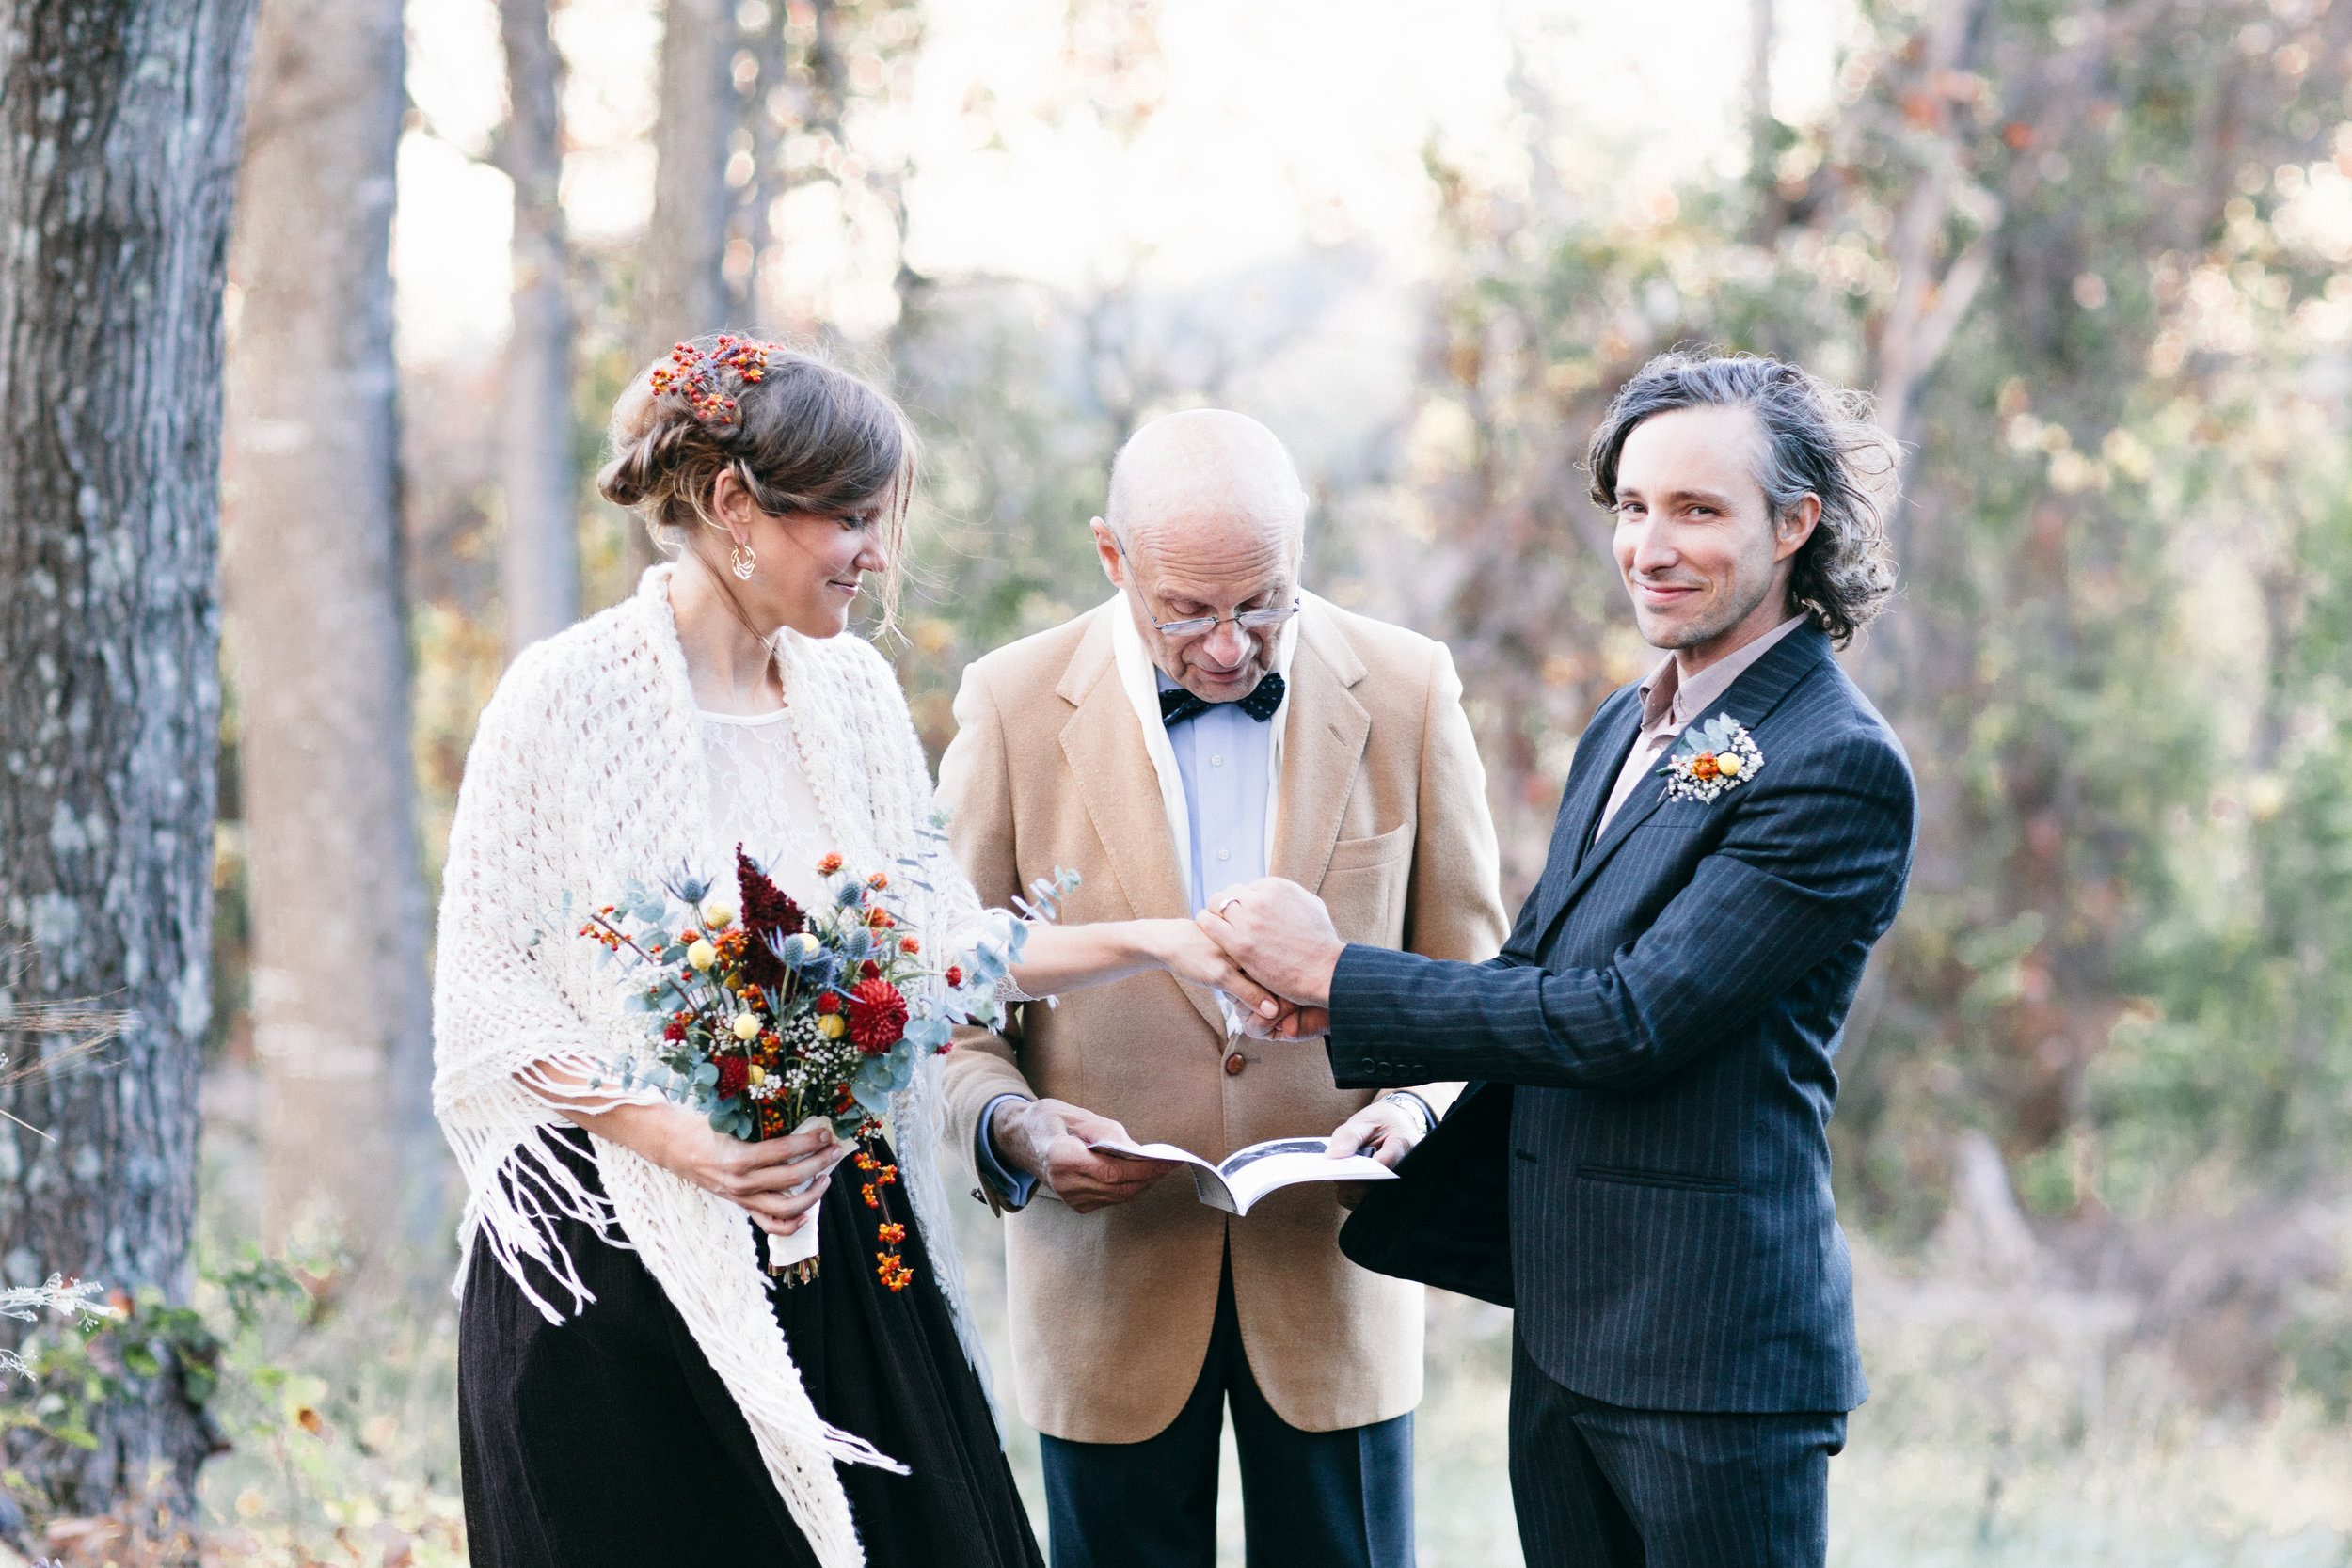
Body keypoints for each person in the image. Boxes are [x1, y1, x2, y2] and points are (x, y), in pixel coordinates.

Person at [433, 337, 1297, 1568]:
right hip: (613, 1276)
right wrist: (690, 1142)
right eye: (850, 517)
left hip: (840, 1239)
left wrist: (1166, 939)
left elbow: (938, 946)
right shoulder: (562, 697)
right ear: (735, 506)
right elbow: (490, 998)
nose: (876, 553)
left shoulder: (852, 697)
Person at [1200, 352, 1916, 1568]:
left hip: (1714, 1360)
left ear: (1797, 523)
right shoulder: (1624, 724)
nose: (1650, 544)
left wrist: (1339, 972)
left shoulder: (1837, 761)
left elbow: (1629, 1018)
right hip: (1569, 1333)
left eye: (1698, 509)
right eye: (1634, 506)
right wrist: (1414, 1106)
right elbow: (1537, 966)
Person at [937, 409, 1509, 1568]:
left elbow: (1475, 988)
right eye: (1187, 610)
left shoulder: (1408, 688)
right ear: (1113, 556)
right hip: (1104, 1294)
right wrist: (1016, 1123)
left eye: (1262, 603)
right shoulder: (1005, 703)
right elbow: (944, 1005)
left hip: (1337, 1286)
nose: (1229, 649)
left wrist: (1417, 1109)